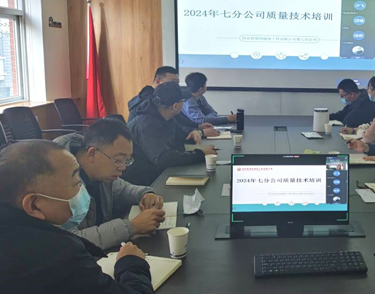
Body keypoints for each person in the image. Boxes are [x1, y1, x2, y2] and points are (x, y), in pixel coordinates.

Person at [0, 140, 154, 294]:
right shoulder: (59, 257)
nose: (82, 191)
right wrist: (131, 263)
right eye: (75, 184)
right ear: (34, 205)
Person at [54, 119, 166, 250]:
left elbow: (123, 189)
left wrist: (145, 194)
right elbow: (72, 240)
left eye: (127, 160)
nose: (123, 167)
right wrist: (133, 226)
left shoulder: (101, 175)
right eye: (118, 160)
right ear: (92, 154)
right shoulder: (59, 183)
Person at [123, 81, 217, 186]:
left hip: (158, 173)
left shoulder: (164, 116)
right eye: (183, 101)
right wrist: (200, 154)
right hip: (144, 181)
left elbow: (177, 134)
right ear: (175, 106)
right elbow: (163, 159)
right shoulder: (147, 125)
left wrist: (192, 133)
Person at [128, 66, 219, 137]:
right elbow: (170, 128)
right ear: (158, 81)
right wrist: (199, 132)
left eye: (177, 83)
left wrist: (197, 126)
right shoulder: (148, 102)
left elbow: (178, 118)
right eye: (172, 82)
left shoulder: (165, 97)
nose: (176, 86)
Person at [341, 75, 375, 145]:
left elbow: (367, 137)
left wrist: (359, 131)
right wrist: (353, 130)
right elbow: (372, 125)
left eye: (369, 88)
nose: (367, 91)